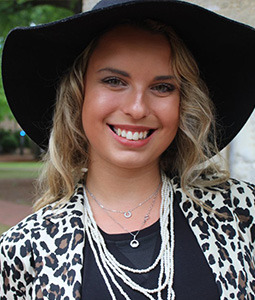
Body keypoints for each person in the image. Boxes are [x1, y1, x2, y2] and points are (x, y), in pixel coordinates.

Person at [0, 0, 254, 299]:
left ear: (184, 103)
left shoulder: (241, 214)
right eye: (114, 81)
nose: (137, 109)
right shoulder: (24, 251)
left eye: (162, 87)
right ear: (78, 95)